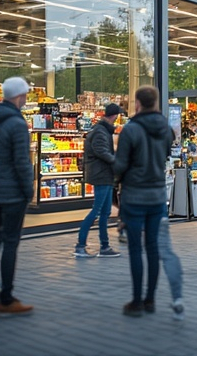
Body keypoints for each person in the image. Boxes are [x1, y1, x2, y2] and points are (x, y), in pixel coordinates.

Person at [113, 85, 176, 317]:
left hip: (134, 196)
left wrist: (116, 175)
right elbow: (166, 156)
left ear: (138, 104)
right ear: (156, 103)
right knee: (153, 248)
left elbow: (120, 165)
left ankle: (137, 301)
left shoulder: (131, 130)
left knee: (135, 249)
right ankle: (150, 299)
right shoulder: (167, 130)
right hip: (158, 196)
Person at [0, 77, 35, 317]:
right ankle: (7, 297)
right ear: (20, 96)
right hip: (12, 193)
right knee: (10, 243)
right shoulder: (17, 123)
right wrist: (28, 189)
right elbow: (22, 161)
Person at [75, 103, 123, 258]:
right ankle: (80, 245)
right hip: (101, 175)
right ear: (114, 116)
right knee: (97, 211)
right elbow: (101, 151)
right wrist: (116, 161)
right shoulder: (101, 132)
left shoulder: (101, 130)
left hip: (105, 175)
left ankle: (105, 246)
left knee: (104, 212)